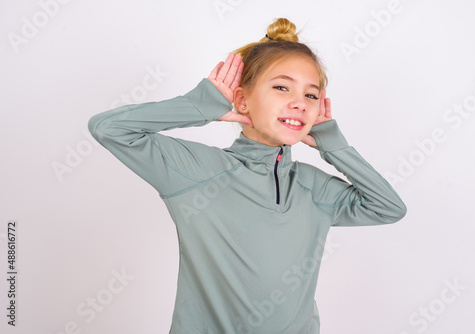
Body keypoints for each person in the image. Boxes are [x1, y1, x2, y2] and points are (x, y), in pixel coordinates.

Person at [88, 18, 406, 334]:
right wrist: (197, 107)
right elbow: (108, 129)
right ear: (242, 100)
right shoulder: (197, 172)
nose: (299, 103)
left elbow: (388, 208)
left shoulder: (314, 187)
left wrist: (334, 146)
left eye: (311, 95)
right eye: (282, 87)